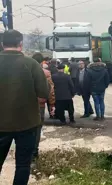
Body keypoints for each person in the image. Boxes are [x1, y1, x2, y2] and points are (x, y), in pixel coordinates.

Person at [0, 30, 49, 185]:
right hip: (27, 124)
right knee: (22, 165)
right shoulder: (31, 64)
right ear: (20, 44)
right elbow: (44, 93)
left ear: (2, 44)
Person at [34, 64, 55, 159]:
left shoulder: (21, 69)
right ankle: (35, 151)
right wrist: (52, 104)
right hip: (40, 104)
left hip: (25, 104)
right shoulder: (45, 73)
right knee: (37, 127)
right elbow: (50, 90)